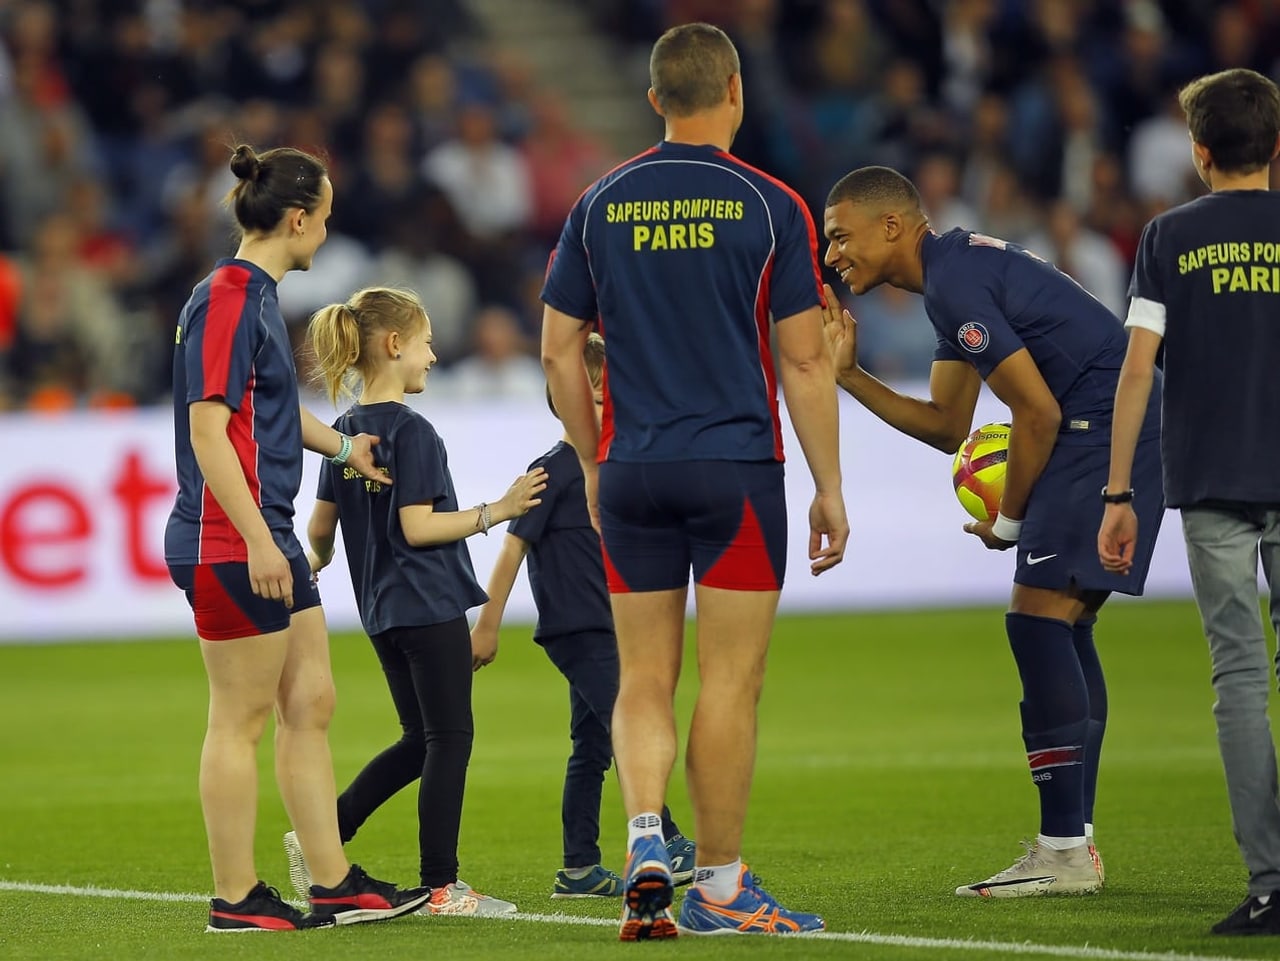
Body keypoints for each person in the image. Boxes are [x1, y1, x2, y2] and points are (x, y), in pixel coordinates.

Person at [540, 22, 848, 940]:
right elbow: (802, 362)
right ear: (735, 90)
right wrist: (830, 484)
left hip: (633, 471)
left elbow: (558, 348)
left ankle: (642, 835)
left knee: (643, 677)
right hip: (736, 473)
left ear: (654, 100)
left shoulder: (599, 202)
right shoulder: (771, 205)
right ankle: (718, 884)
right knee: (729, 682)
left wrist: (593, 457)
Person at [822, 164, 1164, 897]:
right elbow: (949, 427)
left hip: (1096, 427)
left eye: (841, 235)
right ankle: (1074, 840)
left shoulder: (953, 284)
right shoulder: (954, 276)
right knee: (1061, 626)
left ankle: (1064, 851)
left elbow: (1035, 414)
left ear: (892, 226)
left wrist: (1009, 520)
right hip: (1109, 424)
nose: (832, 254)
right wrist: (848, 377)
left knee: (1036, 622)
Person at [164, 145, 430, 932]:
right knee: (239, 718)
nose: (328, 230)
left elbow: (267, 416)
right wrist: (255, 538)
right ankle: (235, 897)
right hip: (229, 535)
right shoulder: (226, 299)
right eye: (326, 216)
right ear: (297, 218)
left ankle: (334, 880)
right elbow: (208, 430)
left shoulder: (251, 296)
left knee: (310, 699)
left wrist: (347, 449)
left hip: (262, 529)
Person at [1098, 67, 1280, 936]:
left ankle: (1271, 882)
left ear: (1199, 155)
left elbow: (1137, 368)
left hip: (1211, 482)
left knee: (1240, 677)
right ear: (1276, 147)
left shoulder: (1169, 237)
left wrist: (1118, 491)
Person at [300, 286, 546, 917]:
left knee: (421, 738)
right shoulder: (413, 432)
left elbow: (321, 528)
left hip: (381, 610)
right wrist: (500, 510)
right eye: (427, 343)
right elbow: (418, 526)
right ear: (394, 345)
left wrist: (321, 562)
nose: (433, 357)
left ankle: (323, 835)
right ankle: (442, 886)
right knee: (450, 738)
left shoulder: (345, 433)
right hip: (426, 602)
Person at [470, 332, 697, 900]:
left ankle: (577, 867)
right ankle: (666, 837)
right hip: (577, 628)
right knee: (631, 727)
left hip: (612, 625)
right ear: (562, 399)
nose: (603, 408)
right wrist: (488, 623)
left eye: (608, 398)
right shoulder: (553, 470)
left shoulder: (613, 466)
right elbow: (512, 547)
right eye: (593, 399)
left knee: (592, 746)